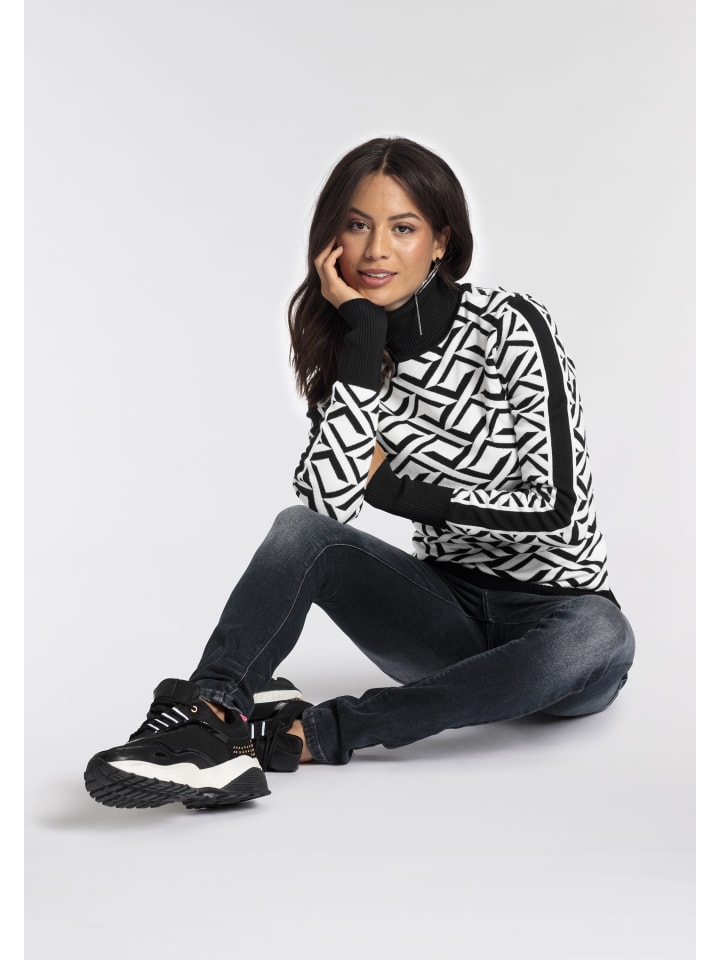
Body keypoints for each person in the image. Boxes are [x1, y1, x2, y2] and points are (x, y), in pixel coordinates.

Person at [84, 137, 636, 810]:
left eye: (402, 228)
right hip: (444, 619)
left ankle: (313, 733)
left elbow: (554, 506)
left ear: (440, 241)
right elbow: (324, 512)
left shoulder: (510, 326)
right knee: (298, 529)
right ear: (331, 242)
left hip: (562, 615)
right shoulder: (352, 361)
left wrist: (400, 491)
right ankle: (209, 719)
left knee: (602, 634)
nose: (376, 251)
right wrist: (363, 345)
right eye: (357, 225)